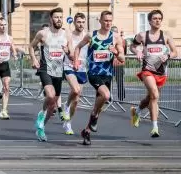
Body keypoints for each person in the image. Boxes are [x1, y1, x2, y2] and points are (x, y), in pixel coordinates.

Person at [74, 10, 125, 145]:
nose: (108, 23)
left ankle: (87, 131)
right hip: (94, 73)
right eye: (106, 20)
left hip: (107, 74)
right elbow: (77, 47)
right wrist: (76, 61)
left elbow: (122, 58)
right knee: (106, 95)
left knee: (100, 102)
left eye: (110, 20)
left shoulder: (115, 37)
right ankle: (94, 117)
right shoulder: (92, 35)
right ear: (100, 21)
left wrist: (116, 52)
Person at [130, 10, 178, 138]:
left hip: (161, 72)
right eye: (155, 18)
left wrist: (168, 55)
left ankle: (137, 111)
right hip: (147, 70)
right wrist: (137, 52)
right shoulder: (142, 35)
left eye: (160, 19)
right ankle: (155, 127)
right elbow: (132, 46)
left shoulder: (166, 35)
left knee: (150, 98)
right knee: (155, 95)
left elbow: (175, 52)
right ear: (150, 21)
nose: (158, 21)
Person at [29, 7, 72, 141]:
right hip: (45, 68)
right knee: (50, 95)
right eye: (56, 17)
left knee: (53, 104)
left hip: (59, 71)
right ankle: (41, 114)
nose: (59, 19)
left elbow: (71, 55)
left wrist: (68, 51)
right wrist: (34, 59)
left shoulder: (67, 34)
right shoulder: (43, 33)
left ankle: (41, 128)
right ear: (51, 19)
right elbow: (31, 46)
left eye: (60, 17)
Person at [61, 13, 88, 135]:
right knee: (76, 90)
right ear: (74, 23)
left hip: (82, 69)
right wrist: (67, 52)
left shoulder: (88, 37)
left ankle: (68, 123)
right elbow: (69, 52)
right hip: (69, 66)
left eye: (83, 22)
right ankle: (66, 106)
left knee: (76, 101)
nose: (81, 24)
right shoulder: (69, 36)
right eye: (78, 22)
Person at [111, 26, 127, 101]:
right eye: (112, 32)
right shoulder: (108, 40)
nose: (114, 33)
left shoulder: (122, 41)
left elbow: (125, 52)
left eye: (115, 32)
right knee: (108, 82)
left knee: (120, 81)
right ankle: (109, 98)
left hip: (118, 64)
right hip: (109, 64)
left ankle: (121, 98)